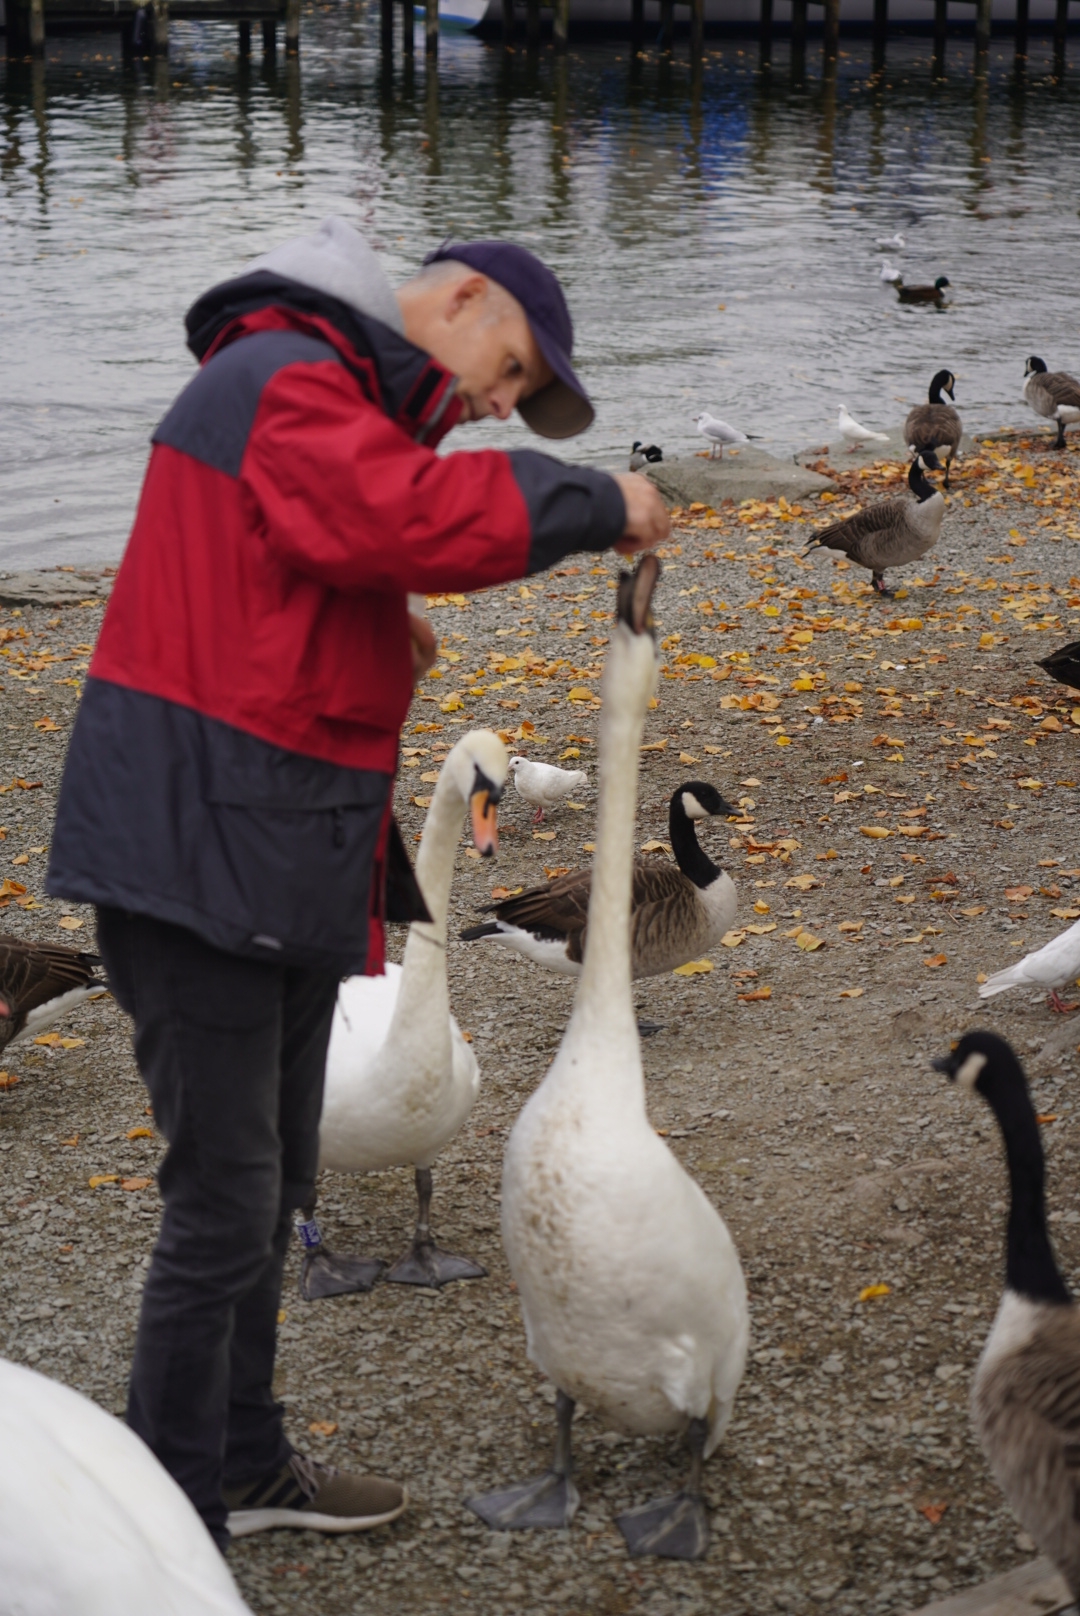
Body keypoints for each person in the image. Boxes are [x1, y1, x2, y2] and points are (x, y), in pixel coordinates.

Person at [46, 218, 669, 1551]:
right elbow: (391, 516)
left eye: (518, 399)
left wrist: (384, 631)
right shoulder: (282, 374)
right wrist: (595, 501)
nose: (500, 406)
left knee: (269, 1193)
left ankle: (248, 1466)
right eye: (509, 372)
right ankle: (162, 1539)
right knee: (219, 1209)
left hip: (264, 856)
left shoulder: (315, 392)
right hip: (195, 859)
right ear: (455, 299)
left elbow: (301, 575)